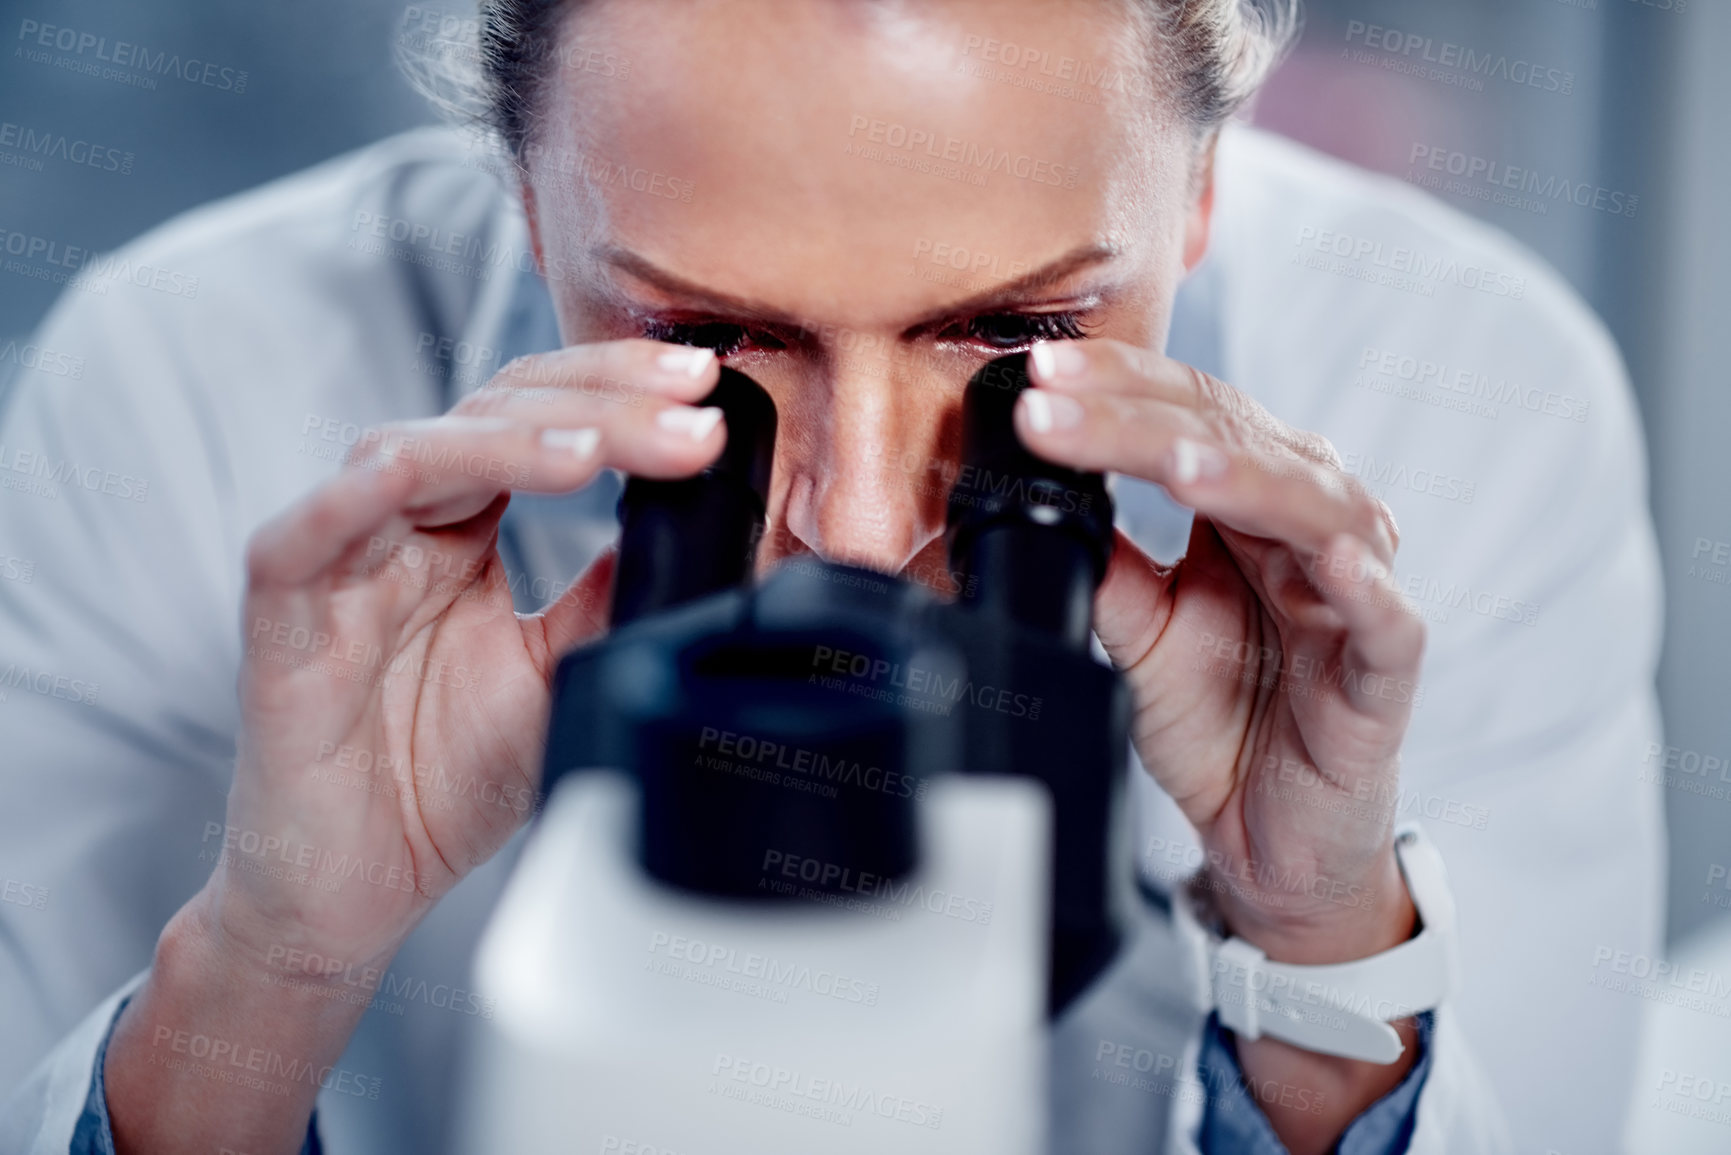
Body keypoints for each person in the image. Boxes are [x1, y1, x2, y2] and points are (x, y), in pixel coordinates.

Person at [0, 0, 1664, 1152]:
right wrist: (275, 955)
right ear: (521, 194)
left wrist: (1315, 929)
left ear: (1206, 190)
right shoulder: (183, 386)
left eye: (1020, 333)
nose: (865, 524)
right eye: (705, 336)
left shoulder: (1468, 396)